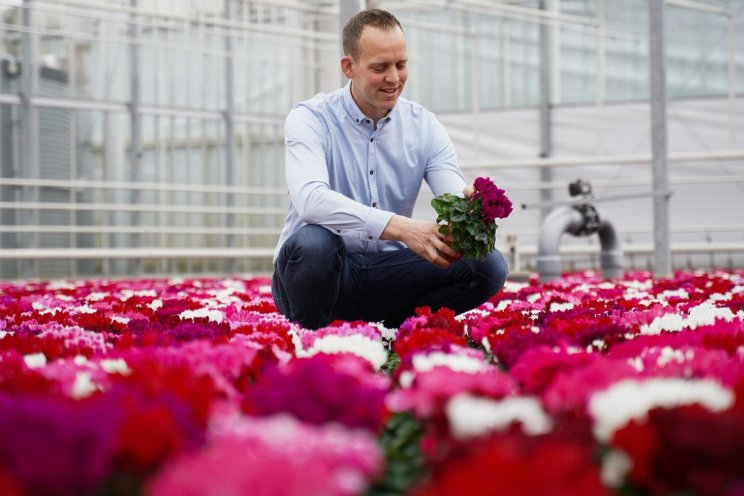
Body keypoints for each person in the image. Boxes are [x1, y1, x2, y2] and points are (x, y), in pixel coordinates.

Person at [271, 8, 508, 330]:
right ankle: (311, 339)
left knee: (487, 263)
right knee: (314, 244)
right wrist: (401, 228)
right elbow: (310, 199)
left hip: (387, 273)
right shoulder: (311, 118)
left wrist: (470, 207)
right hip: (318, 278)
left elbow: (450, 188)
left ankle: (396, 332)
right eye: (380, 67)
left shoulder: (423, 125)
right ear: (348, 67)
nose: (394, 78)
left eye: (401, 64)